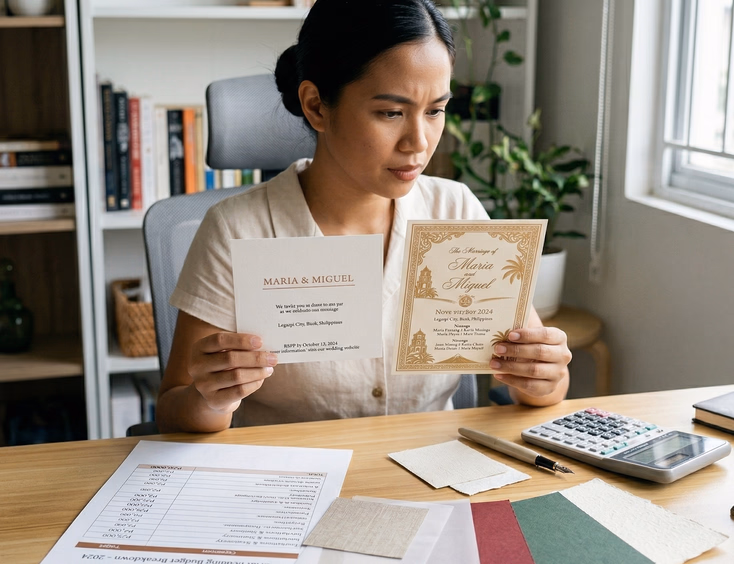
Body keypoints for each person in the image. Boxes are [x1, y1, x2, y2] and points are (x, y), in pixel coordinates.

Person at [157, 0, 571, 433]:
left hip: (434, 474)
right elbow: (172, 410)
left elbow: (539, 390)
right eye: (391, 113)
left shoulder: (457, 211)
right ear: (316, 106)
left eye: (435, 111)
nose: (418, 142)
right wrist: (210, 397)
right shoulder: (237, 229)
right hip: (292, 482)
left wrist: (545, 375)